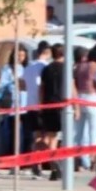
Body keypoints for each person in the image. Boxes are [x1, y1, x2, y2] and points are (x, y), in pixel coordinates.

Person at [38, 43, 76, 181]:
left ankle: (54, 165)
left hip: (49, 105)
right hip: (63, 106)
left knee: (51, 138)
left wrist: (41, 105)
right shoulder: (66, 69)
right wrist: (76, 106)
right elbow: (72, 88)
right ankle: (62, 163)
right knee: (67, 137)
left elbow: (41, 89)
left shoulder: (46, 69)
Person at [73, 45, 96, 171]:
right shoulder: (95, 66)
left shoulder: (78, 66)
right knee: (93, 131)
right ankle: (93, 160)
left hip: (80, 95)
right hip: (91, 96)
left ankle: (76, 158)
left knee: (78, 132)